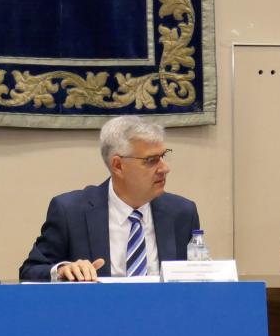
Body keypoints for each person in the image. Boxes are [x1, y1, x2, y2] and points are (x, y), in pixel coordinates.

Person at [19, 116, 200, 282]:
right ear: (118, 165)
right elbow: (30, 271)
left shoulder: (182, 213)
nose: (165, 168)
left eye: (163, 156)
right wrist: (62, 270)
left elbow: (197, 278)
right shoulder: (70, 211)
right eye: (151, 160)